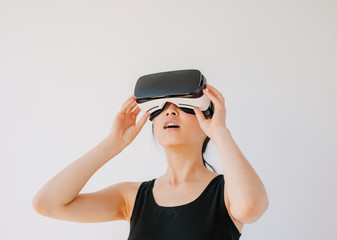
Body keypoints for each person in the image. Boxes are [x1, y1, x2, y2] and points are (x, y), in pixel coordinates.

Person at [32, 83, 268, 239]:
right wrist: (114, 143)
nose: (170, 111)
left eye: (184, 105)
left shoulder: (227, 193)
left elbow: (250, 207)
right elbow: (47, 203)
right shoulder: (132, 197)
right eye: (161, 107)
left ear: (207, 121)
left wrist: (221, 132)